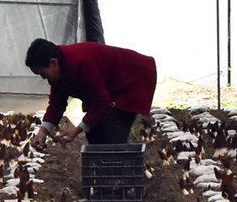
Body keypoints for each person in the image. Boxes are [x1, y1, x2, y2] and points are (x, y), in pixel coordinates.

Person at [25, 38, 158, 146]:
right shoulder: (59, 68)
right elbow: (57, 103)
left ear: (53, 63)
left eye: (43, 73)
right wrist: (43, 131)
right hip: (109, 88)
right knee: (95, 131)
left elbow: (101, 101)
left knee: (111, 130)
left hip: (131, 80)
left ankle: (116, 174)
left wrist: (77, 130)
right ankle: (102, 173)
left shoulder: (80, 63)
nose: (43, 78)